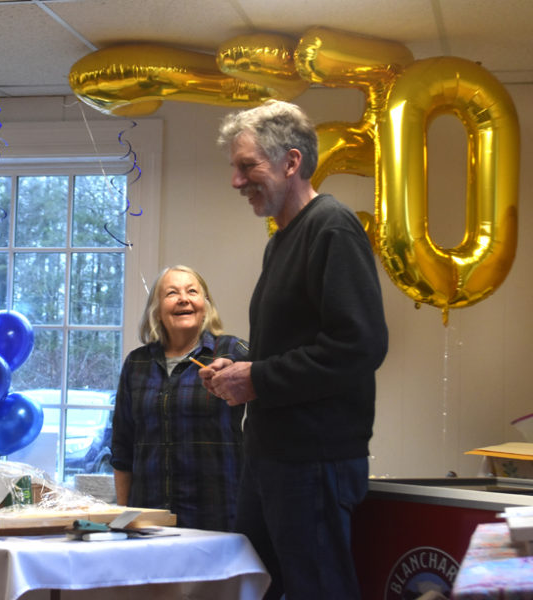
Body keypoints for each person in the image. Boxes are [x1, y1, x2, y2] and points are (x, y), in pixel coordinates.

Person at [200, 101, 388, 599]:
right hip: (272, 457)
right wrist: (241, 369)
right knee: (255, 588)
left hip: (314, 462)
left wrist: (257, 379)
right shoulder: (281, 241)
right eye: (235, 169)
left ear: (291, 162)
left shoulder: (333, 227)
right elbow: (296, 346)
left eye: (248, 166)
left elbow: (358, 345)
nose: (237, 182)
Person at [110, 265, 248, 531]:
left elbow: (264, 374)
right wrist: (124, 515)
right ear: (157, 310)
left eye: (192, 291)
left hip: (218, 518)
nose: (183, 298)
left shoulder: (232, 350)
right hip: (148, 520)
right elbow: (122, 446)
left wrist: (233, 369)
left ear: (205, 305)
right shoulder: (137, 363)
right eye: (172, 293)